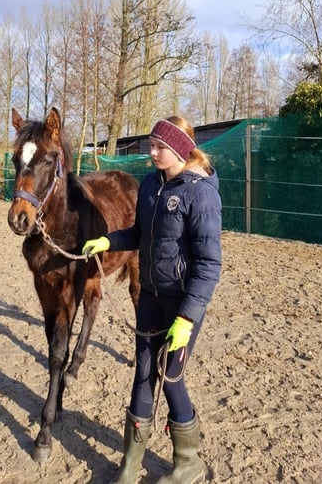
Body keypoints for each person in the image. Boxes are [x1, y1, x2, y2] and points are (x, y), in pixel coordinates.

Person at [82, 116, 222, 484]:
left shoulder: (201, 193)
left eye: (159, 147)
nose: (152, 152)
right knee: (143, 373)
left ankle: (188, 460)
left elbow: (209, 264)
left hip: (182, 303)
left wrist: (187, 318)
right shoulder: (149, 186)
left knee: (169, 376)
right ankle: (130, 462)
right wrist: (109, 241)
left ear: (179, 149)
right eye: (152, 145)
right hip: (150, 296)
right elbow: (139, 233)